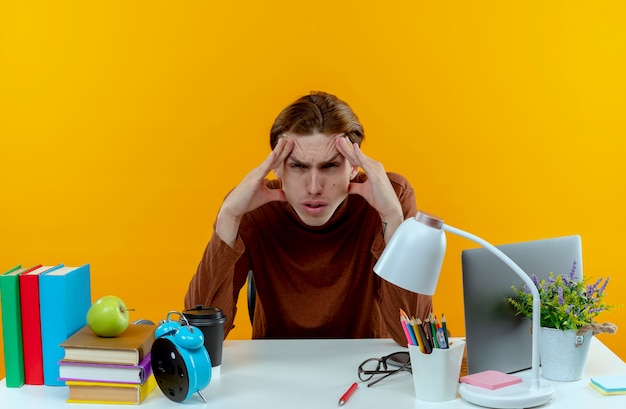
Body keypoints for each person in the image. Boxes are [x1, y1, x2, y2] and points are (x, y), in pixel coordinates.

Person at [184, 91, 432, 346]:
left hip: (368, 371)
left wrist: (392, 219)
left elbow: (416, 339)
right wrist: (229, 216)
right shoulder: (252, 208)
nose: (314, 187)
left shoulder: (389, 198)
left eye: (330, 166)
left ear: (355, 166)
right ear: (277, 167)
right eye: (298, 166)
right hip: (274, 370)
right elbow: (196, 340)